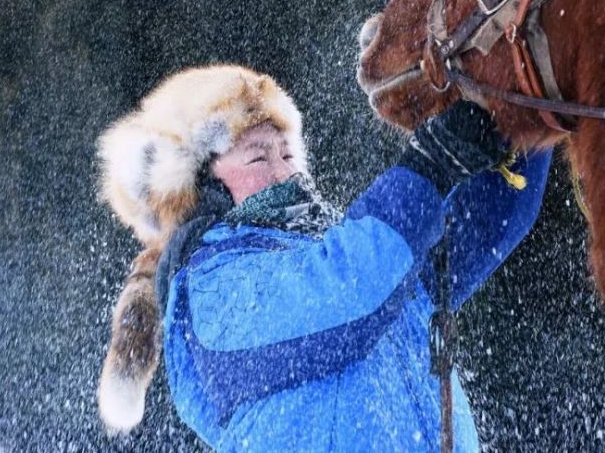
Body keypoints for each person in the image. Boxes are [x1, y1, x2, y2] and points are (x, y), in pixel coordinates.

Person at [96, 65, 551, 452]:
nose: (284, 171)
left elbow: (487, 226)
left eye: (289, 153)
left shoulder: (366, 256)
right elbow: (347, 295)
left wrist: (528, 112)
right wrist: (428, 166)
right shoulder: (212, 288)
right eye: (257, 158)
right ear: (203, 191)